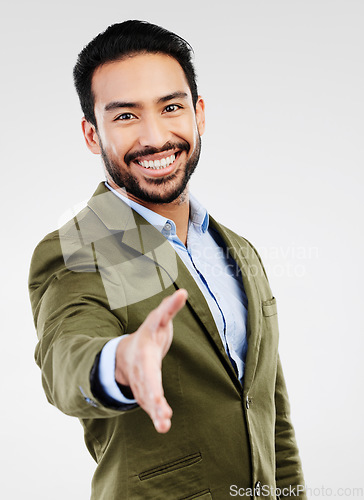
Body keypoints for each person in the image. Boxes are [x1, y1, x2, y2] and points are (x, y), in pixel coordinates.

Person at [29, 20, 307, 500]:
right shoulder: (86, 245)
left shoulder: (239, 250)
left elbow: (270, 412)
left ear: (198, 113)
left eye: (171, 107)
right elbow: (66, 352)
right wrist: (118, 363)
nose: (156, 137)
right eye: (125, 116)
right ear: (92, 134)